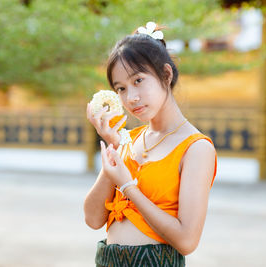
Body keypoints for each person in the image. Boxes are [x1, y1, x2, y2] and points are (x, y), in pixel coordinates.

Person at [84, 22, 217, 267]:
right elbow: (93, 219)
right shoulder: (127, 139)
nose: (131, 98)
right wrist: (114, 151)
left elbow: (187, 240)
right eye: (121, 88)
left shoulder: (196, 148)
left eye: (138, 81)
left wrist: (127, 186)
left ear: (166, 75)